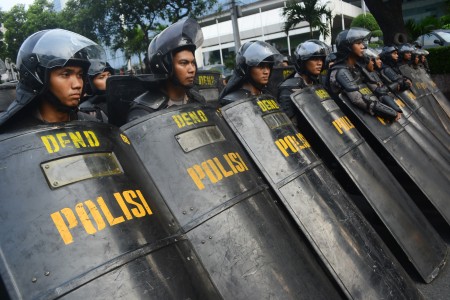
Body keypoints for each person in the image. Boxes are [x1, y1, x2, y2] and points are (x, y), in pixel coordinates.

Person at [0, 29, 106, 131]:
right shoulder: (12, 134)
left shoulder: (93, 125)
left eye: (80, 75)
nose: (77, 84)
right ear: (38, 78)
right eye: (66, 74)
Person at [126, 18, 205, 122]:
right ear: (164, 65)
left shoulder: (197, 100)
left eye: (193, 63)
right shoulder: (144, 112)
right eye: (184, 63)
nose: (192, 69)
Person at [327, 27, 398, 120]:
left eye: (362, 42)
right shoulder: (340, 71)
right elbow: (358, 100)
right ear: (347, 47)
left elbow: (377, 89)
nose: (363, 46)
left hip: (364, 117)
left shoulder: (357, 67)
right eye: (358, 43)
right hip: (349, 119)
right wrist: (391, 113)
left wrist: (395, 108)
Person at [277, 39, 330, 124]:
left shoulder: (318, 82)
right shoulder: (289, 88)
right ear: (302, 62)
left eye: (321, 59)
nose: (319, 63)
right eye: (315, 59)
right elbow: (290, 124)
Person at [219, 40, 282, 106]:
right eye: (261, 66)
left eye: (268, 67)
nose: (266, 72)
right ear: (246, 68)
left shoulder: (267, 94)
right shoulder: (234, 101)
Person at [357, 48, 403, 121]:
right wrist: (392, 111)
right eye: (374, 60)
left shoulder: (374, 72)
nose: (379, 61)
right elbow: (379, 92)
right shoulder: (364, 77)